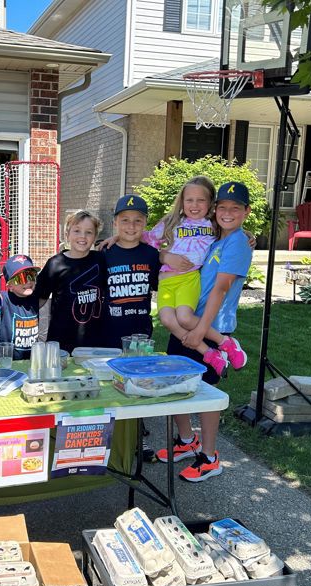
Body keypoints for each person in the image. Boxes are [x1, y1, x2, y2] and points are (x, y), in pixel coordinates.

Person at [157, 181, 255, 483]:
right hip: (189, 320)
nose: (227, 213)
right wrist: (163, 257)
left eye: (235, 209)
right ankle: (187, 441)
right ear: (214, 210)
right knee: (175, 383)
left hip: (210, 326)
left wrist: (200, 331)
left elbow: (221, 289)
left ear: (246, 212)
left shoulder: (237, 243)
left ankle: (210, 457)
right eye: (222, 208)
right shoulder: (212, 237)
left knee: (207, 393)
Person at [142, 176, 247, 376]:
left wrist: (247, 234)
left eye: (201, 200)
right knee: (167, 320)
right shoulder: (172, 222)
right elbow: (146, 237)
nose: (194, 205)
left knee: (184, 317)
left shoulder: (212, 226)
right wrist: (118, 236)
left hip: (188, 279)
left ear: (210, 205)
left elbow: (231, 229)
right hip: (166, 282)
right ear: (181, 202)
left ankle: (225, 343)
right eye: (189, 200)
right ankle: (209, 354)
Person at [33, 210, 106, 353]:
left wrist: (115, 238)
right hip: (61, 341)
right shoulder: (55, 264)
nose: (82, 237)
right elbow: (39, 298)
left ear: (95, 236)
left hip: (95, 341)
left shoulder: (102, 259)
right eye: (77, 231)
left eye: (89, 232)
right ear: (67, 234)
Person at [102, 195, 160, 348]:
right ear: (115, 222)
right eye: (125, 220)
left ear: (145, 223)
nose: (131, 226)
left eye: (138, 220)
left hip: (141, 333)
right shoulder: (104, 253)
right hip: (108, 332)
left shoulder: (152, 254)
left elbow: (159, 285)